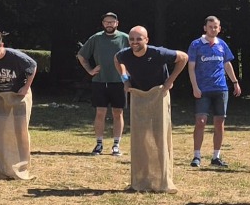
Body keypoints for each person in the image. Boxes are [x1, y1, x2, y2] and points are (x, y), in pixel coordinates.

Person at [114, 26, 188, 192]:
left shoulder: (158, 53)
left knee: (159, 137)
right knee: (139, 138)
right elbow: (116, 60)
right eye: (132, 39)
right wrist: (125, 79)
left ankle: (162, 182)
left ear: (146, 40)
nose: (135, 42)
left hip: (158, 95)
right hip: (138, 96)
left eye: (139, 39)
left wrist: (170, 80)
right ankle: (140, 182)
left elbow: (183, 57)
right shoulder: (124, 54)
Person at [0, 27, 37, 179]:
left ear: (2, 45)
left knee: (20, 131)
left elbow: (33, 66)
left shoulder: (15, 56)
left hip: (18, 96)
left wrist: (26, 87)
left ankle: (21, 169)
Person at [187, 16, 241, 168]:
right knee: (201, 122)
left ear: (219, 28)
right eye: (210, 26)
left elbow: (227, 64)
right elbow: (191, 67)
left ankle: (216, 156)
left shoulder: (222, 44)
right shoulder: (196, 44)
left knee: (219, 123)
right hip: (203, 89)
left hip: (221, 89)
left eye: (216, 26)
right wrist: (195, 87)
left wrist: (235, 82)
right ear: (205, 28)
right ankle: (197, 156)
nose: (213, 29)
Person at [76, 12, 130, 156]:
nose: (109, 24)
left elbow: (136, 55)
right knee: (100, 112)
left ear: (117, 23)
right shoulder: (96, 38)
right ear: (103, 23)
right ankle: (99, 144)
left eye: (112, 22)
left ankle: (116, 145)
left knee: (118, 113)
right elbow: (81, 55)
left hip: (119, 82)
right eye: (106, 22)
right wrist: (90, 70)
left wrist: (129, 73)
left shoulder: (125, 38)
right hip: (100, 81)